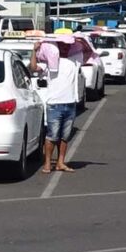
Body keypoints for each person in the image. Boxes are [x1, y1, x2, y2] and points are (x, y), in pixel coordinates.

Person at [39, 44, 84, 173]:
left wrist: (82, 42)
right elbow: (34, 67)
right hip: (54, 104)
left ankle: (60, 163)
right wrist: (35, 51)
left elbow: (86, 55)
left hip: (70, 103)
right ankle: (47, 163)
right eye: (62, 46)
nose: (65, 48)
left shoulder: (74, 61)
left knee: (65, 137)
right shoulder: (49, 61)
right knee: (52, 135)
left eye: (67, 46)